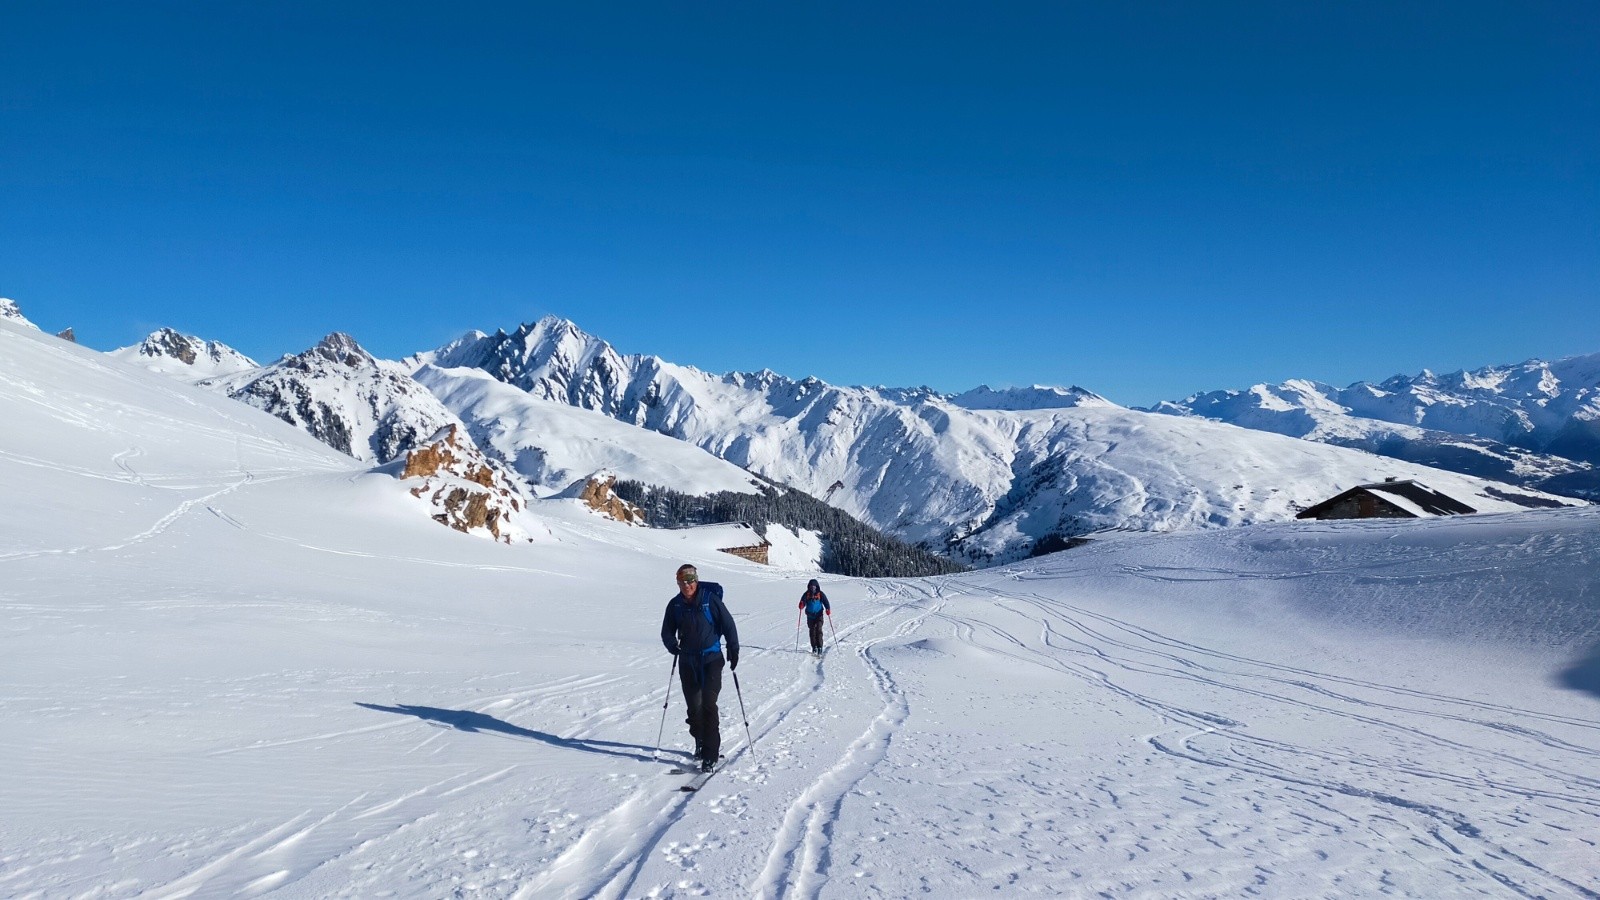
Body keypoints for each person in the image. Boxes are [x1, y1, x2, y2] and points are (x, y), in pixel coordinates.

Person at [660, 564, 739, 772]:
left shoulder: (709, 600)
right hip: (687, 661)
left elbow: (728, 623)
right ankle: (700, 740)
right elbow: (667, 631)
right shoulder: (675, 605)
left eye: (690, 580)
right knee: (694, 709)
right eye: (683, 581)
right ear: (677, 582)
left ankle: (710, 754)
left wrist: (733, 648)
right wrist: (671, 645)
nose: (687, 584)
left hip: (711, 659)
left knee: (708, 704)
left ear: (696, 580)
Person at [799, 578, 831, 655]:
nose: (813, 588)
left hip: (819, 615)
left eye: (814, 586)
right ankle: (814, 647)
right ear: (809, 587)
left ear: (817, 586)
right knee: (812, 631)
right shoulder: (806, 594)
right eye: (811, 586)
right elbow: (802, 602)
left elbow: (826, 602)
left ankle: (820, 647)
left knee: (819, 630)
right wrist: (801, 605)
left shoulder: (820, 594)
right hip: (810, 616)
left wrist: (828, 609)